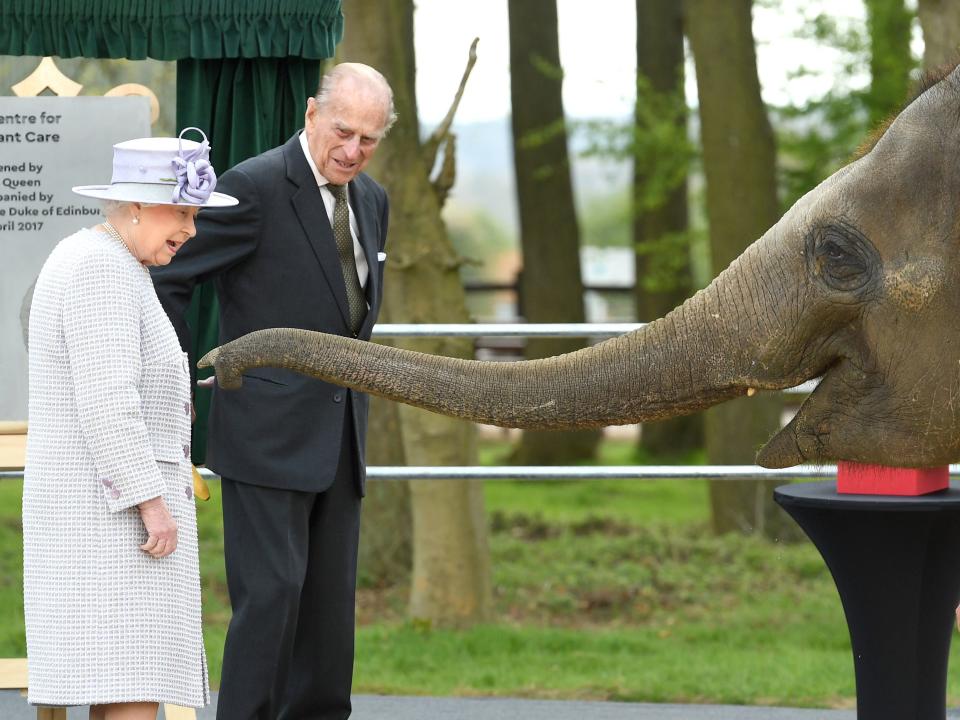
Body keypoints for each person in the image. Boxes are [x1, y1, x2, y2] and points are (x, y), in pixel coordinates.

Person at [150, 63, 395, 720]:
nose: (353, 151)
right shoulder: (252, 186)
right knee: (273, 598)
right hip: (263, 435)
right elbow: (169, 279)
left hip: (343, 439)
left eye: (369, 140)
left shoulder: (372, 200)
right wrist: (180, 377)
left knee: (327, 612)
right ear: (313, 114)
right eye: (344, 131)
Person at [23, 129, 237, 719]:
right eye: (184, 212)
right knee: (132, 683)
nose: (192, 230)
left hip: (99, 515)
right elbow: (107, 400)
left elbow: (115, 379)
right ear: (137, 206)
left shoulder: (111, 260)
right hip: (110, 523)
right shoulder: (102, 268)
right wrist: (151, 502)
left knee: (125, 678)